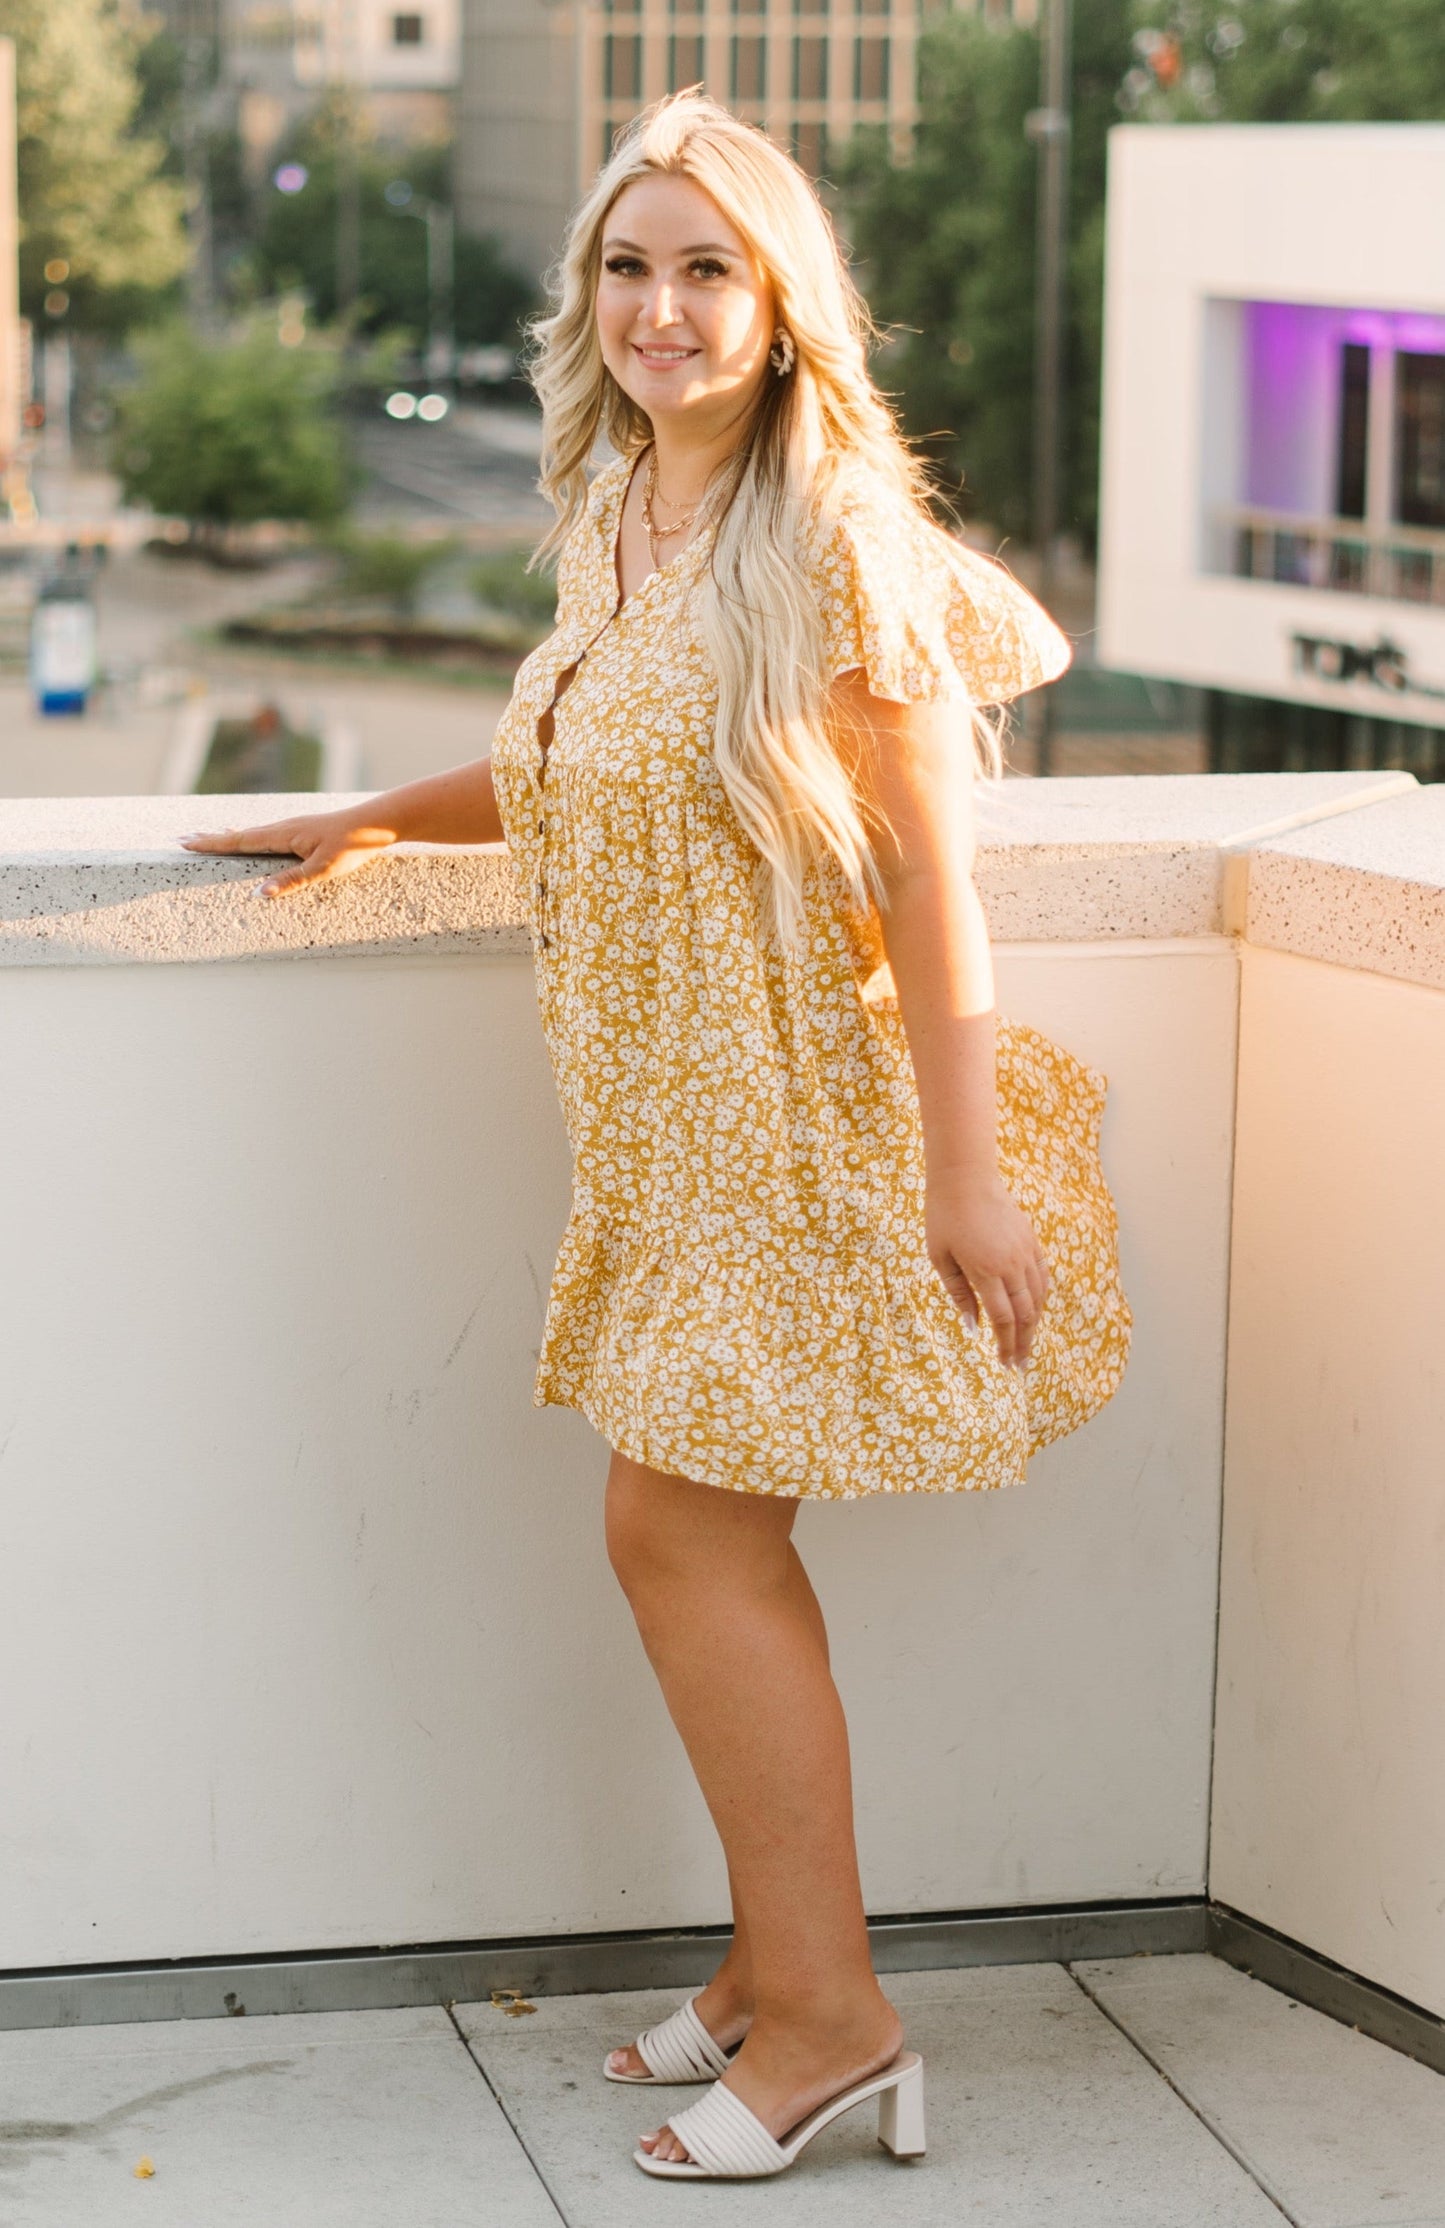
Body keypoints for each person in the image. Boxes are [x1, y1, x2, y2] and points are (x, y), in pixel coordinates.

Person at [180, 90, 1130, 2185]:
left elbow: (929, 881)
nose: (662, 307)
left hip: (784, 1117)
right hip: (657, 1126)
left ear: (784, 307)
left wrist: (963, 1175)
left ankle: (831, 2016)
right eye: (629, 264)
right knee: (693, 1529)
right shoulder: (621, 508)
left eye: (710, 269)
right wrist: (367, 815)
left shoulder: (833, 538)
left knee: (680, 1534)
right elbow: (573, 758)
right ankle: (769, 1963)